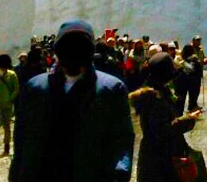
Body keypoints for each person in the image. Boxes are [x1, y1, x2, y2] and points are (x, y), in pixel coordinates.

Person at [10, 19, 134, 182]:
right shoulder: (35, 89)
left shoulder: (111, 90)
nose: (74, 55)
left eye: (80, 49)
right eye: (68, 49)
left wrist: (119, 175)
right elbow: (21, 138)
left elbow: (121, 140)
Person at [129, 53, 201, 182]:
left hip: (158, 159)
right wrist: (189, 119)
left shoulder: (157, 94)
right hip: (159, 163)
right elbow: (163, 131)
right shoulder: (155, 100)